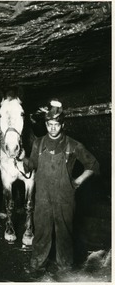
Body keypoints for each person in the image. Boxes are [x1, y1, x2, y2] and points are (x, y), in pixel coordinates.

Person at [24, 99, 100, 273]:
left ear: (62, 125)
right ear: (46, 124)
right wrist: (21, 158)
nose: (52, 128)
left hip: (65, 198)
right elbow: (32, 165)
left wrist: (78, 181)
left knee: (64, 234)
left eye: (56, 125)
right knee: (41, 232)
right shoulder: (39, 143)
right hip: (42, 197)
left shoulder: (73, 145)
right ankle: (37, 264)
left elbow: (93, 165)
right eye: (49, 124)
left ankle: (65, 267)